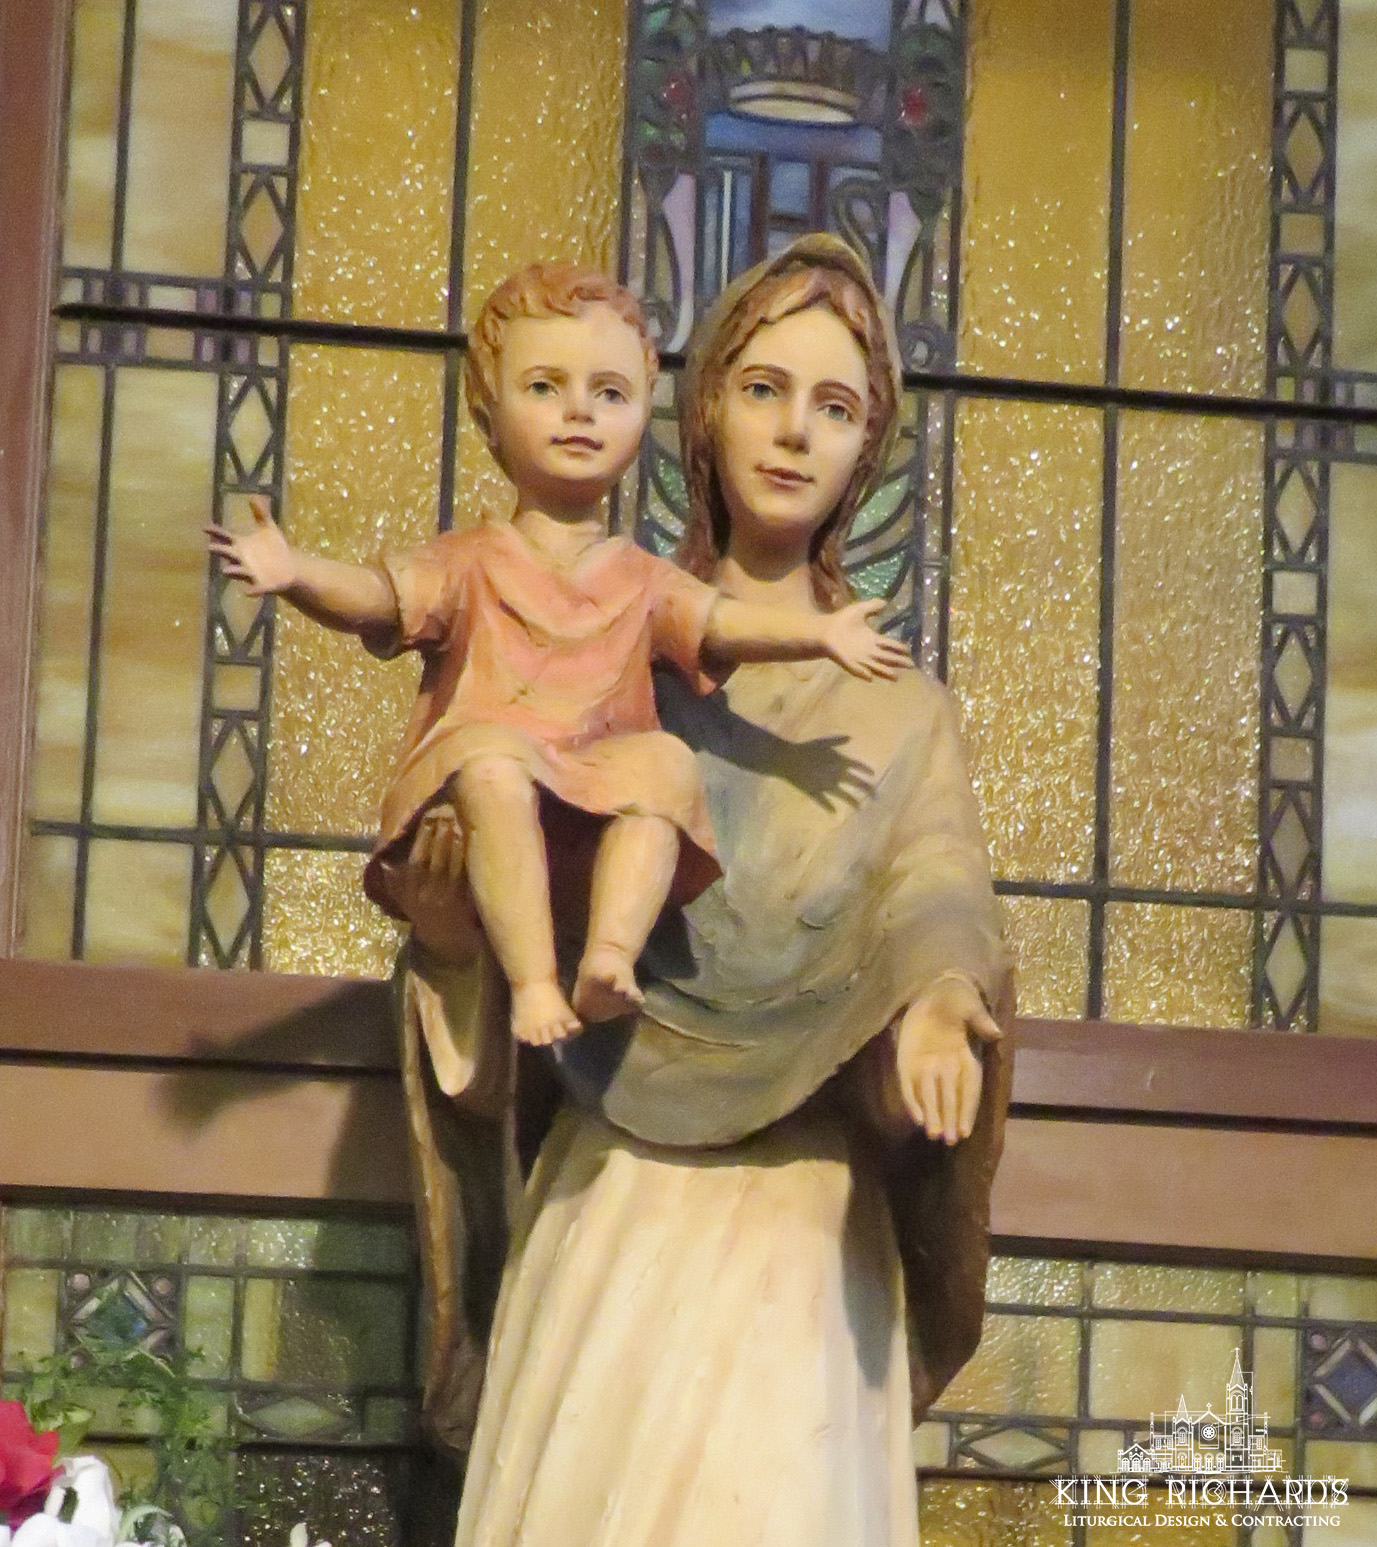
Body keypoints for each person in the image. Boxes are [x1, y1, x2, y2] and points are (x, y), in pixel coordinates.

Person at [395, 235, 1013, 1547]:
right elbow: (509, 921)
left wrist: (936, 1001)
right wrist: (453, 940)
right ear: (706, 408)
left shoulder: (903, 714)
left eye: (834, 406)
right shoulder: (599, 654)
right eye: (764, 389)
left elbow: (935, 890)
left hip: (802, 1213)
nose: (793, 432)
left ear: (867, 446)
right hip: (613, 1189)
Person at [206, 263, 909, 1046]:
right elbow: (378, 597)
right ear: (489, 412)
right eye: (545, 387)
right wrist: (296, 571)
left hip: (590, 791)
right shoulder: (471, 560)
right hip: (494, 781)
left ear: (644, 417)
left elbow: (718, 624)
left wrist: (821, 634)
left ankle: (608, 957)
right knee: (492, 763)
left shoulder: (640, 577)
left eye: (609, 393)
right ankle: (535, 982)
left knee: (665, 764)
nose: (579, 412)